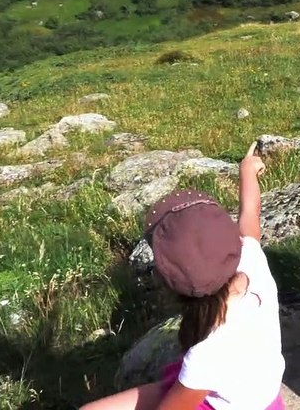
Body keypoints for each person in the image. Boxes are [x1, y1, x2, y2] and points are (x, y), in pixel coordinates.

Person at [82, 143, 285, 410]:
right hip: (263, 397)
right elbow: (250, 216)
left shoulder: (207, 354)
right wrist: (247, 172)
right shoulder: (252, 262)